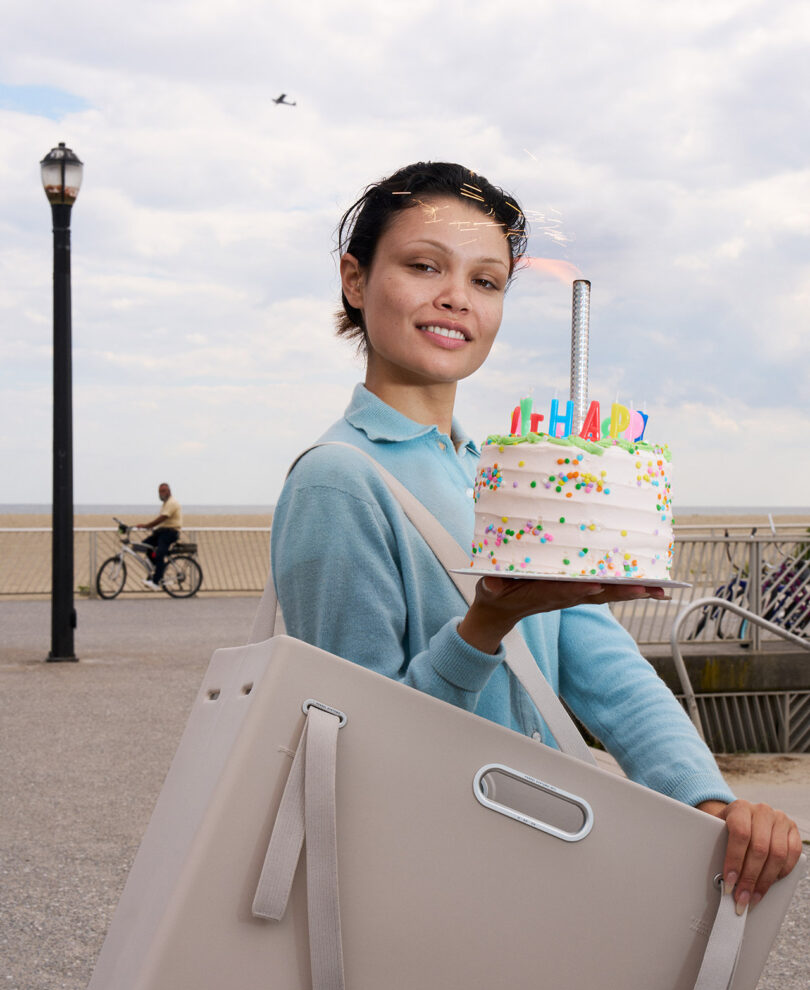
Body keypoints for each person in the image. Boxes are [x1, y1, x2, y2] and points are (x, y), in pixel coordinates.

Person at [270, 161, 801, 915]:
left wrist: (709, 803)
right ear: (355, 280)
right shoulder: (339, 480)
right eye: (424, 266)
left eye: (486, 281)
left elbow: (602, 662)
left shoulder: (502, 480)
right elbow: (352, 746)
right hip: (423, 887)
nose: (457, 296)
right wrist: (487, 623)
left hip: (539, 862)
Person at [137, 482, 182, 588]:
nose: (161, 493)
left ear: (169, 491)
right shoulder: (165, 503)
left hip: (169, 533)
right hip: (161, 532)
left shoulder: (172, 503)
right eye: (160, 492)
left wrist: (147, 525)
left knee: (159, 554)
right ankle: (159, 570)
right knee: (145, 546)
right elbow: (162, 521)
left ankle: (156, 582)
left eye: (163, 491)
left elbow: (163, 518)